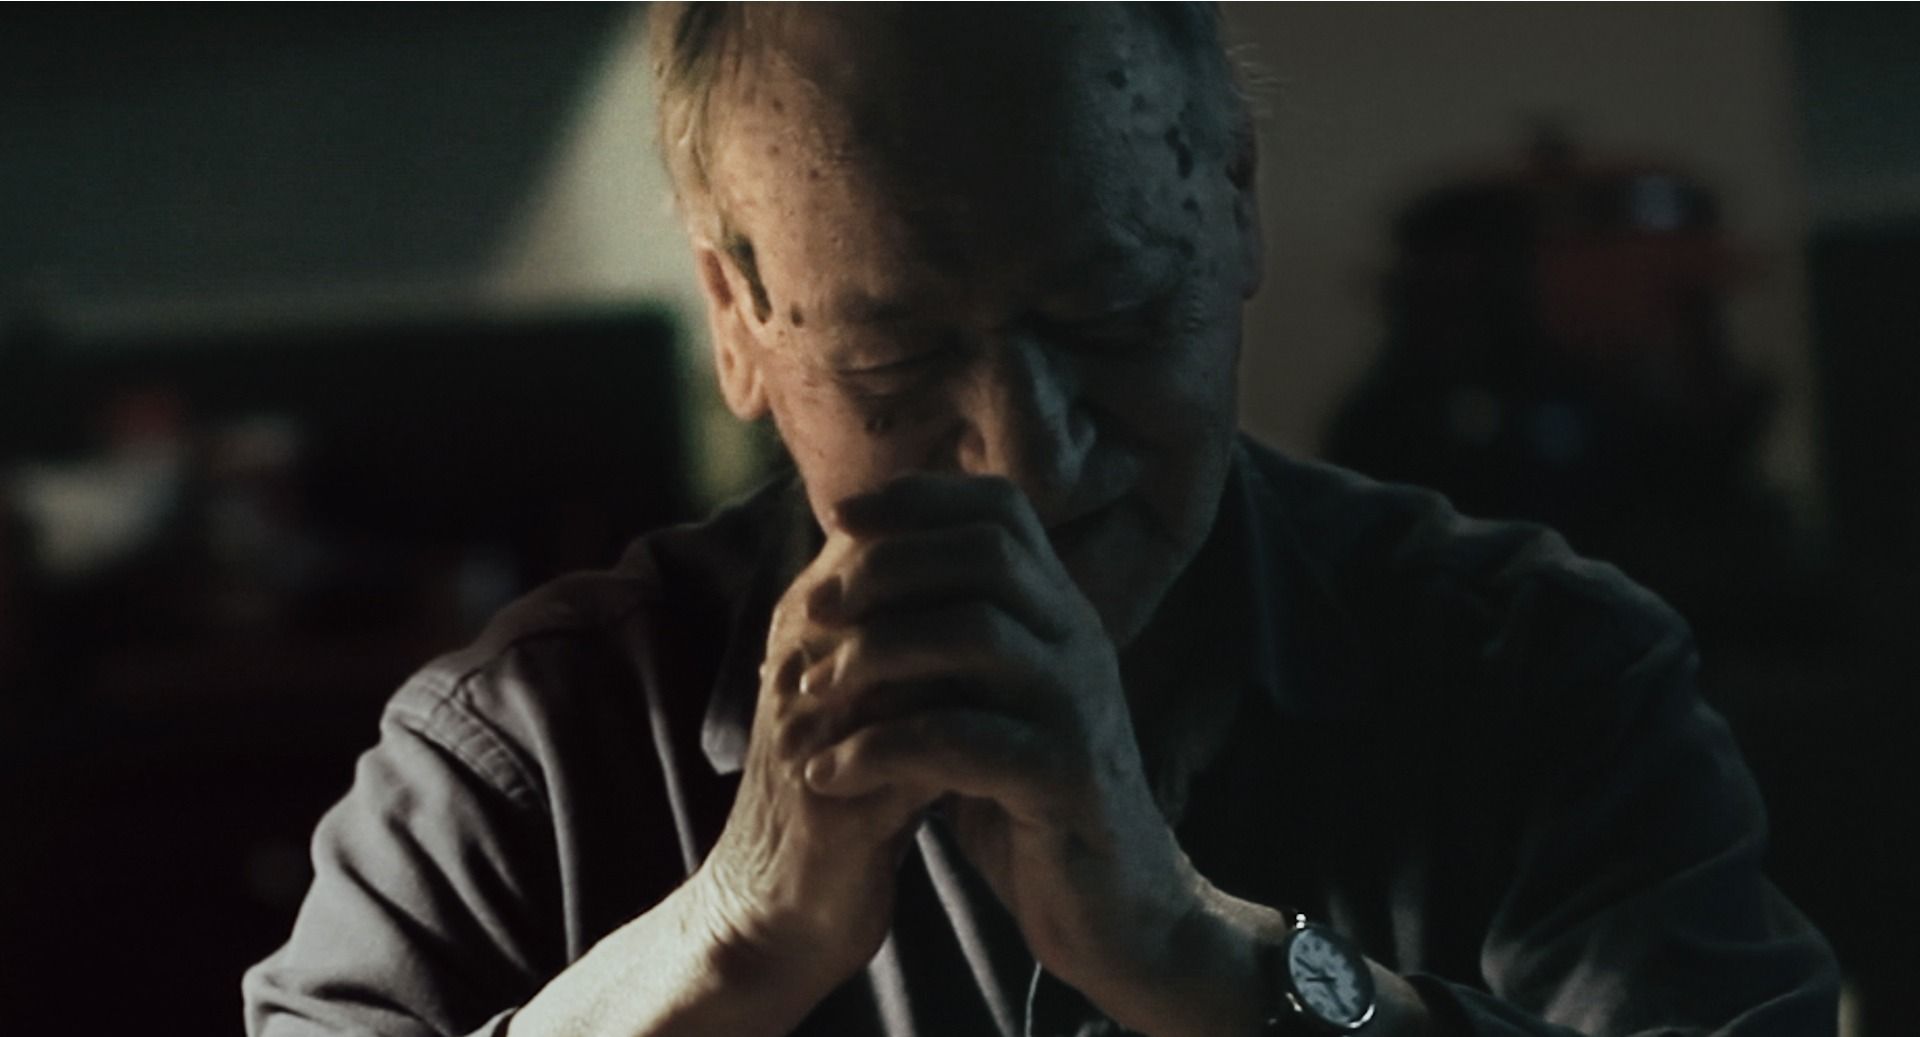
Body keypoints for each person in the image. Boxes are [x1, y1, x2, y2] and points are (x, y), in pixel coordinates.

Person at [244, 6, 1838, 1036]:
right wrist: (726, 937)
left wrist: (1218, 965)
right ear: (734, 316)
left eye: (1115, 316)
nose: (1027, 457)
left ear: (1235, 201)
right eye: (895, 359)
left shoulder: (1546, 677)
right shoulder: (514, 765)